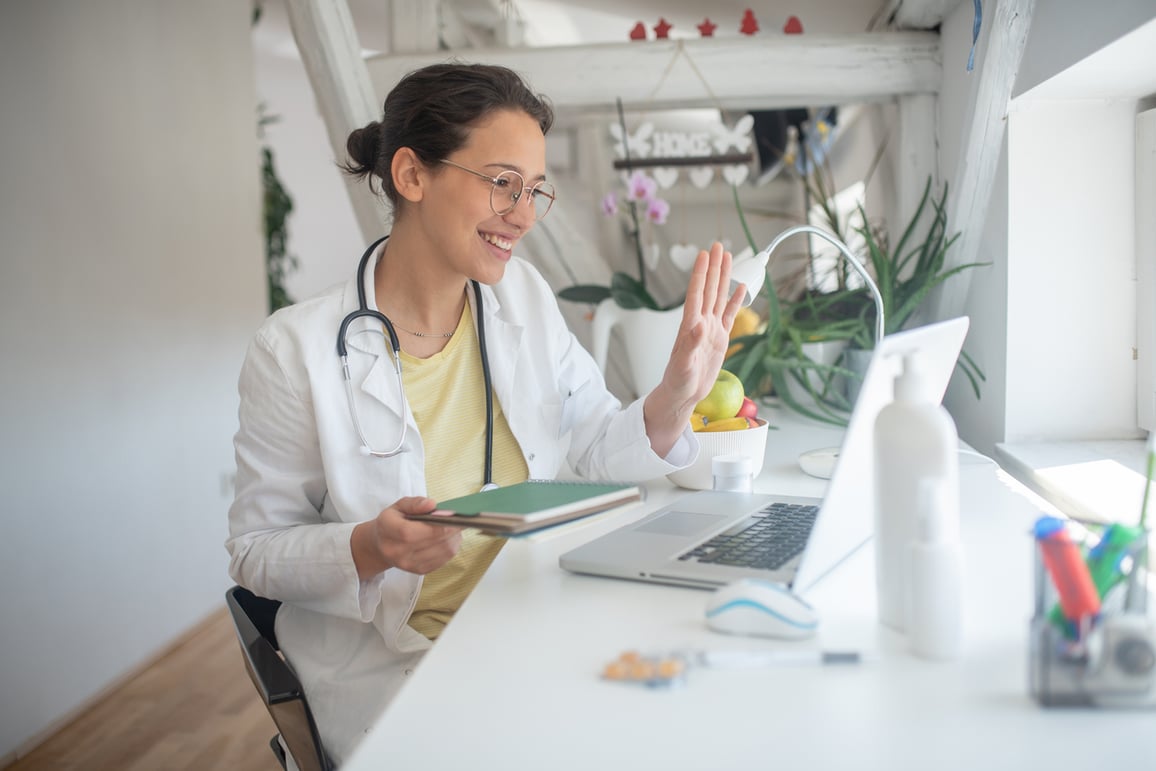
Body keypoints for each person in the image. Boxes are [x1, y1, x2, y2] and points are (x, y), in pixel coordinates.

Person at [226, 61, 744, 765]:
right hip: (401, 666)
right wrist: (368, 547)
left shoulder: (521, 297)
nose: (523, 214)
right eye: (503, 182)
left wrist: (674, 397)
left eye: (534, 190)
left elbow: (591, 444)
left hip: (532, 622)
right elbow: (257, 551)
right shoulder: (294, 349)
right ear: (411, 175)